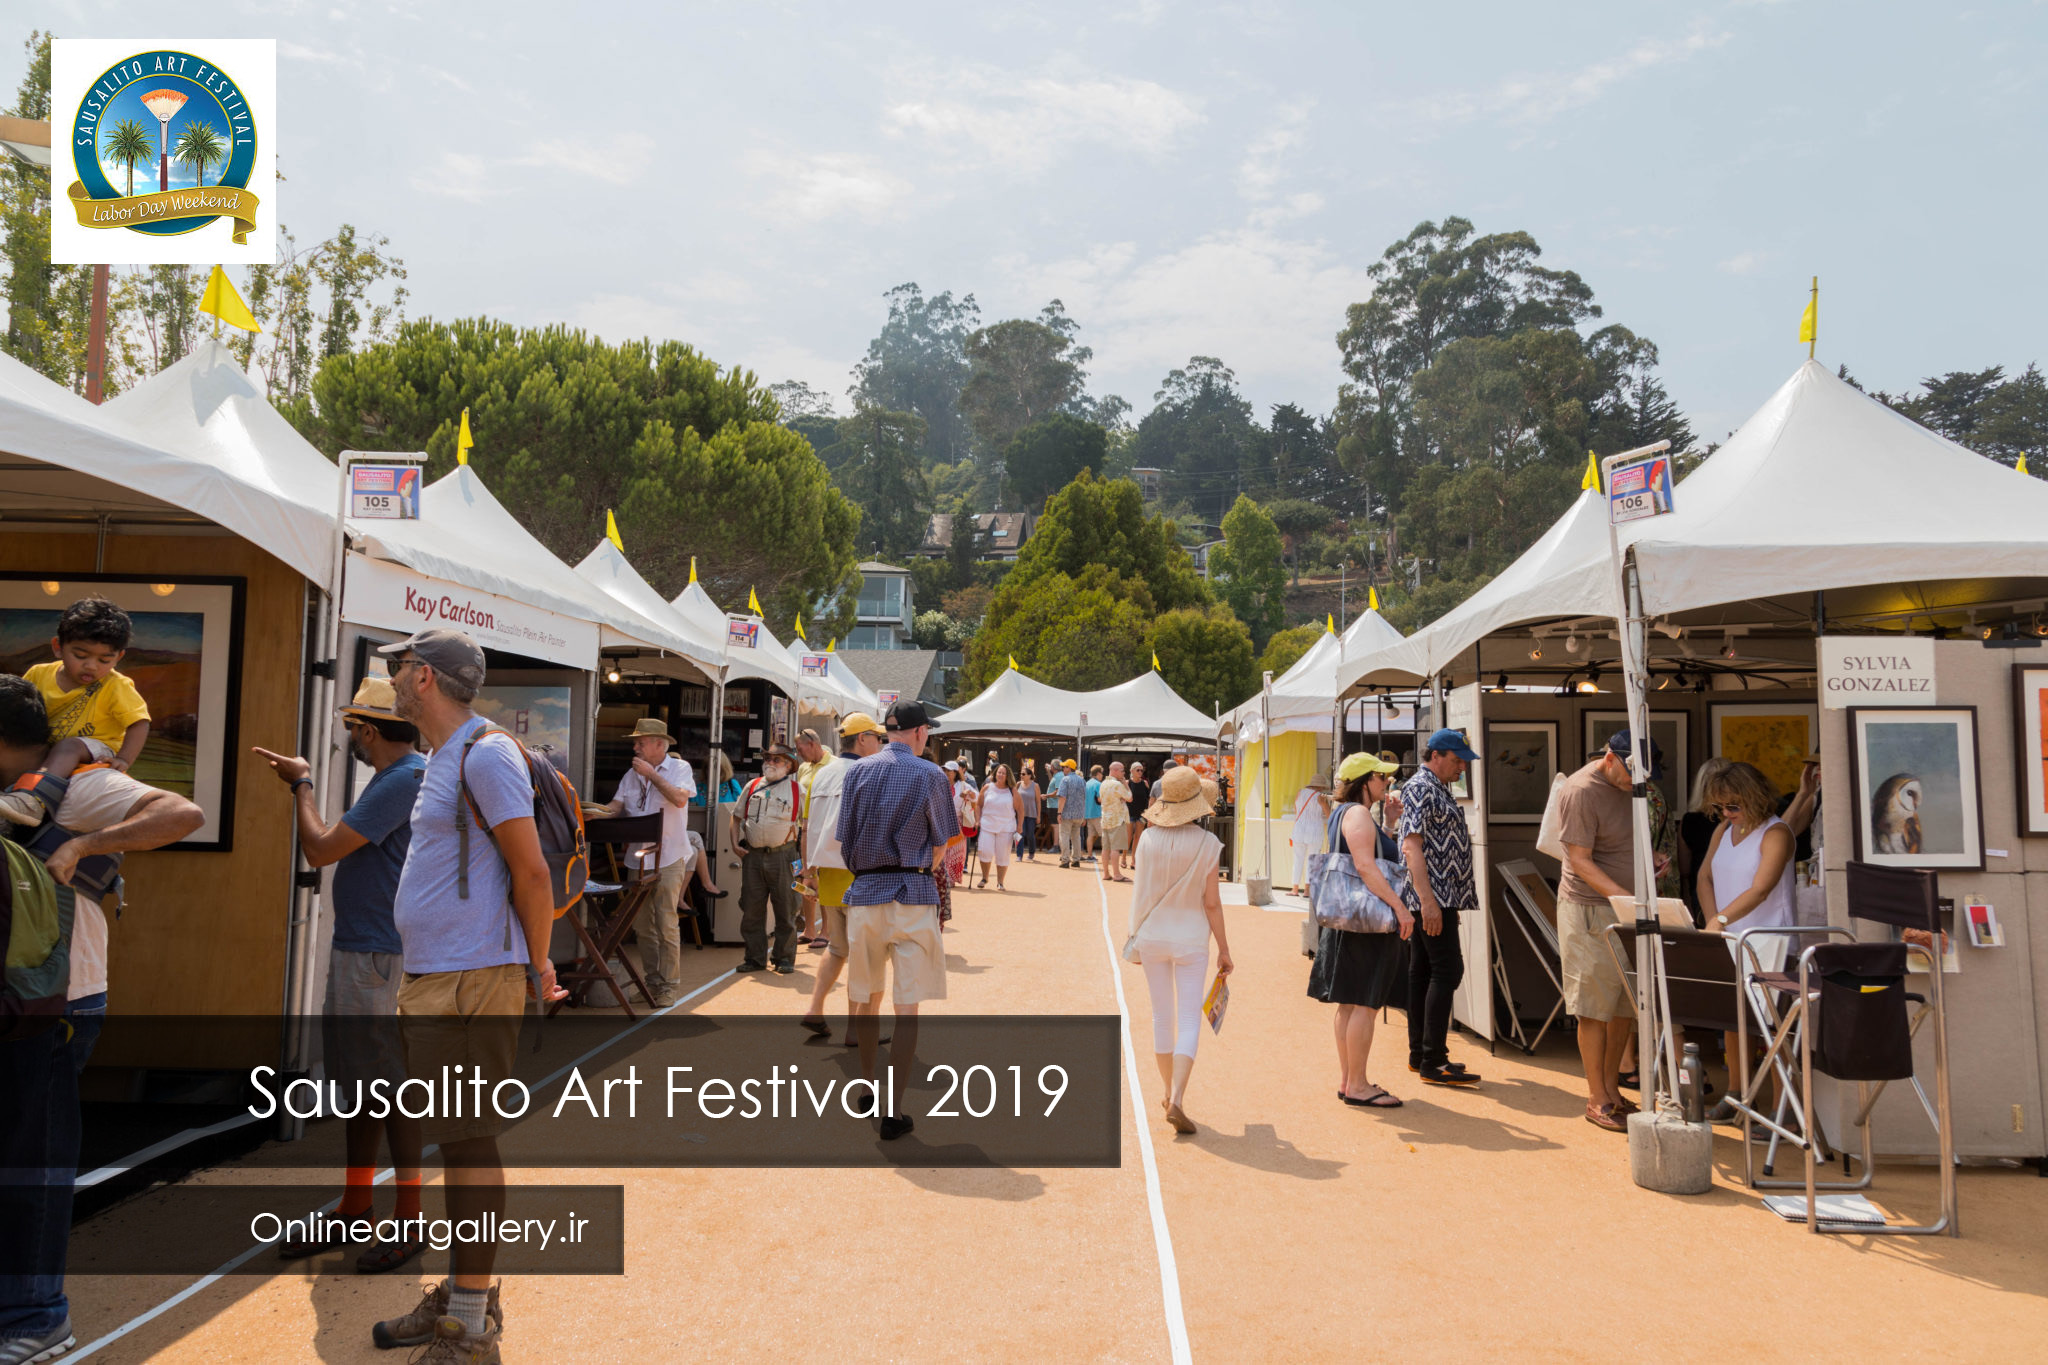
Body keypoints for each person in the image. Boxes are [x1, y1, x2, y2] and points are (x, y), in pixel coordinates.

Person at [365, 628, 565, 1359]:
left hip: (470, 977)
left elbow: (532, 870)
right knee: (459, 1141)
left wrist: (537, 965)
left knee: (468, 1141)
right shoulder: (457, 754)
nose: (389, 679)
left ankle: (470, 1316)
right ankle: (462, 1296)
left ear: (422, 676)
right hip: (448, 975)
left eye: (396, 667)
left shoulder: (483, 755)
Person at [0, 675, 203, 1364]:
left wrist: (80, 847)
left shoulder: (82, 786)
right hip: (18, 996)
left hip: (58, 1002)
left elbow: (182, 813)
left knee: (35, 1164)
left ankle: (36, 1317)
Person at [252, 678, 428, 1274]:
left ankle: (407, 1220)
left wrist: (301, 785)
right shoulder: (407, 775)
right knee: (367, 1088)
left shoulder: (402, 778)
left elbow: (321, 849)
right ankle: (359, 1206)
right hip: (375, 947)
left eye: (352, 728)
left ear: (368, 731)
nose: (349, 738)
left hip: (375, 952)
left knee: (389, 1091)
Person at [835, 700, 958, 1140]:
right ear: (921, 732)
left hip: (866, 891)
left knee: (867, 997)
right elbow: (943, 840)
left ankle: (867, 1085)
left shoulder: (859, 771)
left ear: (888, 730)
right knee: (907, 1009)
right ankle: (894, 1108)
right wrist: (920, 862)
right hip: (913, 891)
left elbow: (844, 841)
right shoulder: (930, 775)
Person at [1125, 765, 1234, 1135]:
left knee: (1161, 1018)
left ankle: (1166, 1091)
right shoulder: (1207, 844)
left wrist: (1134, 938)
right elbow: (1212, 904)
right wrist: (1224, 949)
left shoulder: (1149, 841)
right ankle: (1177, 1098)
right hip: (1191, 939)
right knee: (1188, 1020)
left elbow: (1140, 894)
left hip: (1152, 936)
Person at [1553, 730, 1653, 1133]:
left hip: (1624, 910)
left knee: (1623, 1006)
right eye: (1629, 771)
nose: (1634, 780)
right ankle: (1597, 1097)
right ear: (1610, 758)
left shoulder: (1633, 785)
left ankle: (1612, 1090)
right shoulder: (1580, 790)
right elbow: (1579, 860)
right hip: (1589, 910)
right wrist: (1627, 898)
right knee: (1593, 1007)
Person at [1309, 753, 1414, 1109]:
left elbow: (1364, 857)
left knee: (1349, 1005)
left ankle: (1349, 1080)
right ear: (1364, 781)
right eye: (1381, 777)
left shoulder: (1345, 813)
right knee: (1365, 1005)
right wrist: (1400, 909)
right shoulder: (1355, 813)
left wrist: (1387, 825)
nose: (1387, 782)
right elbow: (1366, 867)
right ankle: (1357, 1084)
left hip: (1349, 921)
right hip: (1365, 924)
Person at [1698, 761, 1797, 1123]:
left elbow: (1761, 888)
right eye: (1720, 807)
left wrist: (1720, 919)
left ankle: (1781, 1109)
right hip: (1730, 937)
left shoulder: (1776, 833)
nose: (1726, 813)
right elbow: (1704, 877)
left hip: (1770, 940)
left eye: (1733, 806)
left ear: (1755, 798)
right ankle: (1737, 1095)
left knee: (1772, 1028)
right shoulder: (1724, 829)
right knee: (1733, 1020)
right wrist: (1715, 923)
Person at [0, 599, 154, 827]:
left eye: (104, 660)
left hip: (96, 747)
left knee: (70, 746)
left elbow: (139, 722)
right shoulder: (39, 673)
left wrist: (123, 758)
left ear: (119, 657)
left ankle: (32, 800)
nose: (91, 666)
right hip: (49, 750)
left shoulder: (116, 686)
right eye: (81, 656)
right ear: (58, 647)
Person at [1397, 728, 1483, 1089]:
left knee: (1424, 971)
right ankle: (1433, 1058)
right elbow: (1412, 846)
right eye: (1457, 758)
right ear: (1437, 755)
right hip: (1432, 897)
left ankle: (1422, 1054)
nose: (1462, 766)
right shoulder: (1421, 788)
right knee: (1447, 970)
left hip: (1438, 896)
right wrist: (1428, 901)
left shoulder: (1433, 787)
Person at [799, 712, 888, 1043]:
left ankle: (815, 1009)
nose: (881, 744)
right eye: (877, 738)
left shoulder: (821, 774)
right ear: (862, 739)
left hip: (828, 873)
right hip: (860, 874)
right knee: (864, 955)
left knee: (837, 949)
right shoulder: (869, 773)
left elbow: (807, 827)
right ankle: (855, 1029)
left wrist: (808, 872)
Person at [595, 718, 696, 1007]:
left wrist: (652, 775)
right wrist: (596, 813)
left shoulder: (680, 768)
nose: (635, 747)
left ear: (659, 745)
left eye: (640, 742)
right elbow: (617, 806)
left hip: (668, 857)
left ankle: (669, 986)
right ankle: (652, 984)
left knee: (666, 923)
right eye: (635, 742)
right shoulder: (631, 774)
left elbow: (679, 799)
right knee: (642, 926)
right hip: (637, 858)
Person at [730, 743, 801, 974]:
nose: (770, 762)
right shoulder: (751, 786)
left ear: (789, 765)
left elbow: (810, 829)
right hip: (753, 856)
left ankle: (784, 958)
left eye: (777, 759)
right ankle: (754, 959)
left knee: (786, 909)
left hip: (785, 856)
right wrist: (733, 844)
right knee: (751, 910)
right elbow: (736, 817)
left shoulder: (798, 791)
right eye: (768, 758)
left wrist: (808, 865)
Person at [1677, 757, 1735, 921]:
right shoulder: (1737, 818)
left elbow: (1684, 868)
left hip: (1700, 892)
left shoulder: (1689, 820)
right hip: (1734, 888)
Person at [793, 729, 832, 943]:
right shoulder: (802, 769)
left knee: (823, 880)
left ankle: (825, 930)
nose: (799, 754)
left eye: (800, 749)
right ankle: (809, 929)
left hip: (824, 832)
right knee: (803, 878)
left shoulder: (834, 764)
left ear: (812, 744)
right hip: (803, 831)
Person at [974, 764, 1021, 889]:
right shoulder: (987, 787)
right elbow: (978, 805)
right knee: (984, 851)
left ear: (1007, 776)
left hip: (1006, 827)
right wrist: (977, 820)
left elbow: (1020, 810)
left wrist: (1020, 827)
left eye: (1003, 773)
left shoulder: (1012, 790)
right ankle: (985, 878)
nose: (1000, 775)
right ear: (995, 774)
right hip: (987, 825)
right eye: (998, 772)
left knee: (1002, 855)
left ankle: (1000, 882)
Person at [1288, 774, 1332, 896]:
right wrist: (1322, 805)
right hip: (1315, 831)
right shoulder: (1321, 797)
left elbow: (1296, 810)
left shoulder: (1300, 792)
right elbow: (1329, 816)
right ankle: (1307, 890)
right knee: (1312, 860)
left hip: (1299, 829)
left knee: (1298, 859)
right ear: (1321, 787)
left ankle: (1295, 889)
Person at [1098, 761, 1133, 883]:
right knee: (1115, 848)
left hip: (1105, 819)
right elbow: (1129, 797)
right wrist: (1126, 784)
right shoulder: (1117, 785)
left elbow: (1102, 799)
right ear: (1116, 770)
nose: (1124, 773)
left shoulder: (1103, 783)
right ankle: (1117, 874)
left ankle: (1106, 873)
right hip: (1117, 819)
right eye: (1123, 770)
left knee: (1105, 848)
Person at [1056, 759, 1089, 868]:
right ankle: (1076, 859)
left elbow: (1062, 797)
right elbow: (1085, 798)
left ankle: (1065, 860)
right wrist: (1084, 815)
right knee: (1076, 837)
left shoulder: (1065, 780)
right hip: (1079, 814)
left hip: (1067, 813)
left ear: (1069, 768)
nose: (1063, 769)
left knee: (1064, 835)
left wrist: (1059, 812)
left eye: (1064, 767)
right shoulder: (1082, 780)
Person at [1125, 761, 1151, 865]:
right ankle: (1123, 857)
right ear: (1132, 771)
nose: (1140, 772)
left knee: (1138, 837)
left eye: (1141, 770)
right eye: (1138, 770)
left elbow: (1149, 799)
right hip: (1129, 814)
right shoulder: (1127, 783)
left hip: (1141, 814)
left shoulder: (1145, 783)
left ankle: (1133, 860)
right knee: (1128, 836)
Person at [1014, 766, 1041, 862]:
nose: (1021, 775)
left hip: (1031, 814)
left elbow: (1038, 801)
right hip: (1020, 814)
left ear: (1029, 776)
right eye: (1020, 774)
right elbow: (1014, 798)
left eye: (1023, 774)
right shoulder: (1018, 784)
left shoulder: (1035, 786)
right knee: (1020, 833)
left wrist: (1038, 815)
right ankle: (1019, 854)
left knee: (1030, 834)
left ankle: (1031, 852)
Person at [1084, 764, 1105, 862]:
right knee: (1104, 835)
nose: (1102, 776)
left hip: (1088, 814)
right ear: (1098, 773)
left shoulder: (1087, 783)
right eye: (1102, 773)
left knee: (1090, 835)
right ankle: (1105, 856)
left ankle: (1089, 855)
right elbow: (1100, 799)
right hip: (1097, 813)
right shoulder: (1098, 784)